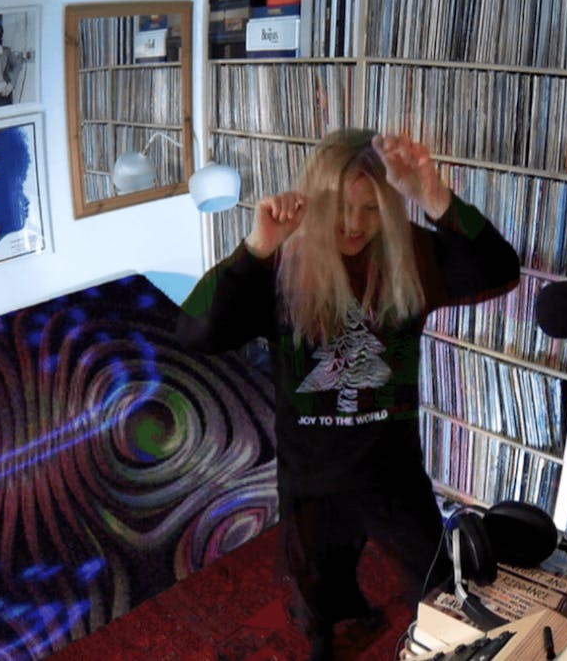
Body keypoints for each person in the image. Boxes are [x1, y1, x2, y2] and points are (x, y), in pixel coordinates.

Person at [176, 128, 521, 660]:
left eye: (371, 209)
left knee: (440, 592)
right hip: (311, 477)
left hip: (393, 472)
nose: (355, 224)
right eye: (340, 206)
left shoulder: (410, 252)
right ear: (313, 198)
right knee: (319, 601)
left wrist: (434, 196)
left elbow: (500, 269)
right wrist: (255, 250)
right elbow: (195, 332)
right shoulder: (280, 263)